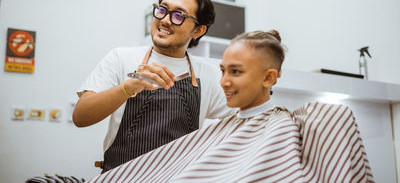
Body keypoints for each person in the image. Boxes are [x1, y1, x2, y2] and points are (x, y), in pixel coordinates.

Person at [88, 30, 374, 182]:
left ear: (269, 77)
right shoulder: (226, 126)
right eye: (223, 70)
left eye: (235, 72)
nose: (223, 81)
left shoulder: (282, 128)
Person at [73, 0, 235, 173]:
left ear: (198, 30)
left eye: (178, 15)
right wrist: (128, 87)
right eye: (162, 10)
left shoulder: (208, 74)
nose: (165, 19)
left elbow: (247, 119)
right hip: (121, 177)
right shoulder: (121, 57)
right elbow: (81, 117)